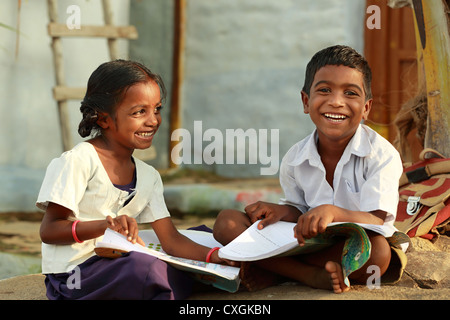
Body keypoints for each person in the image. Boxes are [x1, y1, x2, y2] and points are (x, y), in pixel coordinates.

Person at [213, 45, 404, 294]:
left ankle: (274, 269)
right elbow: (299, 210)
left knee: (379, 252)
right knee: (226, 222)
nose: (336, 102)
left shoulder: (381, 155)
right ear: (306, 101)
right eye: (324, 90)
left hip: (349, 244)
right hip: (308, 245)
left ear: (366, 108)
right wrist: (279, 211)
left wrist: (334, 213)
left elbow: (377, 220)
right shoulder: (295, 157)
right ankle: (309, 275)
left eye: (350, 93)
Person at [37, 60, 230, 300]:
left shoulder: (149, 176)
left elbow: (170, 240)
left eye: (156, 109)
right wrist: (104, 226)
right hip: (76, 274)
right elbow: (49, 229)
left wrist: (217, 256)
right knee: (143, 268)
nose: (153, 121)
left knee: (197, 237)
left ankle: (181, 280)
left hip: (120, 260)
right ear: (104, 119)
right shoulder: (78, 161)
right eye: (139, 112)